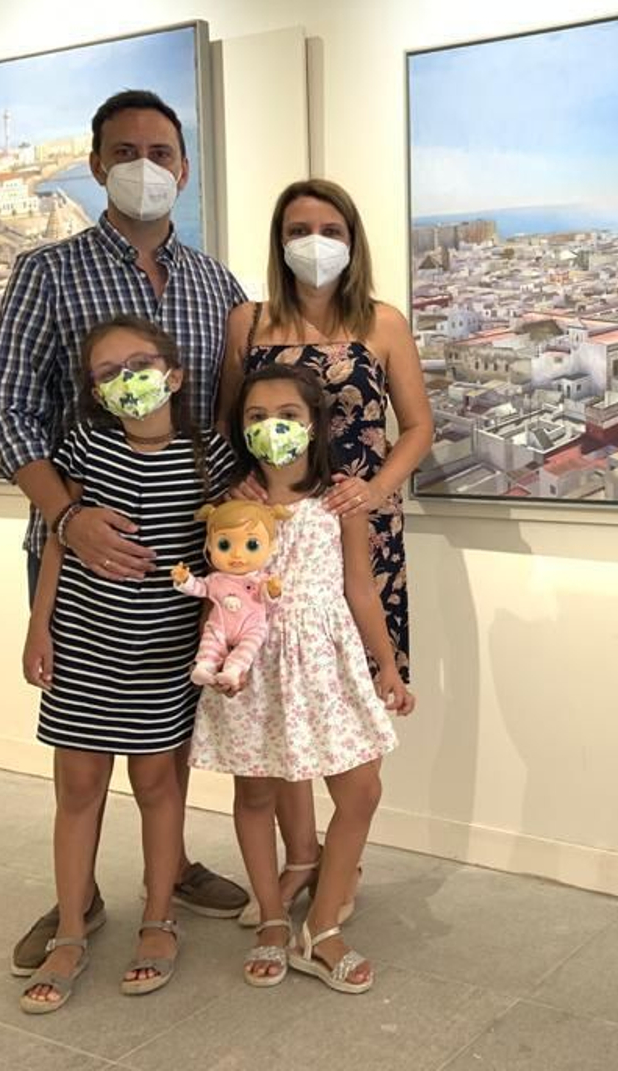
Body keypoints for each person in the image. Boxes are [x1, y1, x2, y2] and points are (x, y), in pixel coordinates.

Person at [0, 89, 250, 977]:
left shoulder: (218, 283)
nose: (145, 165)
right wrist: (67, 514)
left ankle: (166, 876)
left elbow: (234, 417)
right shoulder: (47, 274)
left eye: (162, 151)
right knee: (85, 750)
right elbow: (7, 409)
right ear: (96, 165)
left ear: (183, 166)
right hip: (77, 551)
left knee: (167, 740)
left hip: (185, 565)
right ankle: (79, 902)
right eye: (126, 150)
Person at [217, 179, 432, 926]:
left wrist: (371, 492)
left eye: (331, 226)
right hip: (270, 534)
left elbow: (417, 429)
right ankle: (300, 855)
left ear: (353, 238)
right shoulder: (248, 321)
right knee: (281, 697)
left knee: (340, 691)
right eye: (299, 227)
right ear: (278, 240)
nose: (315, 240)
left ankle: (337, 864)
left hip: (354, 527)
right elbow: (226, 425)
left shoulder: (382, 321)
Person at [19, 317, 238, 1013]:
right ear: (96, 392)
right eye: (107, 374)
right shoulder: (85, 444)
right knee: (77, 788)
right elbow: (60, 538)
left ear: (175, 375)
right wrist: (38, 623)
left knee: (156, 787)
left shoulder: (213, 458)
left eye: (138, 365)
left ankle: (158, 917)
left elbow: (225, 561)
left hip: (163, 654)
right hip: (83, 642)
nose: (126, 381)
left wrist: (222, 644)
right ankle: (73, 927)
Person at [191, 364, 414, 992]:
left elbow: (360, 587)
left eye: (287, 415)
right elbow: (220, 590)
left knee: (361, 790)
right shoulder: (231, 502)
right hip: (254, 663)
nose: (272, 428)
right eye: (257, 418)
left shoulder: (340, 497)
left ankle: (321, 925)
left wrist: (386, 665)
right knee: (257, 793)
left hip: (327, 661)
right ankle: (269, 918)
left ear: (313, 423)